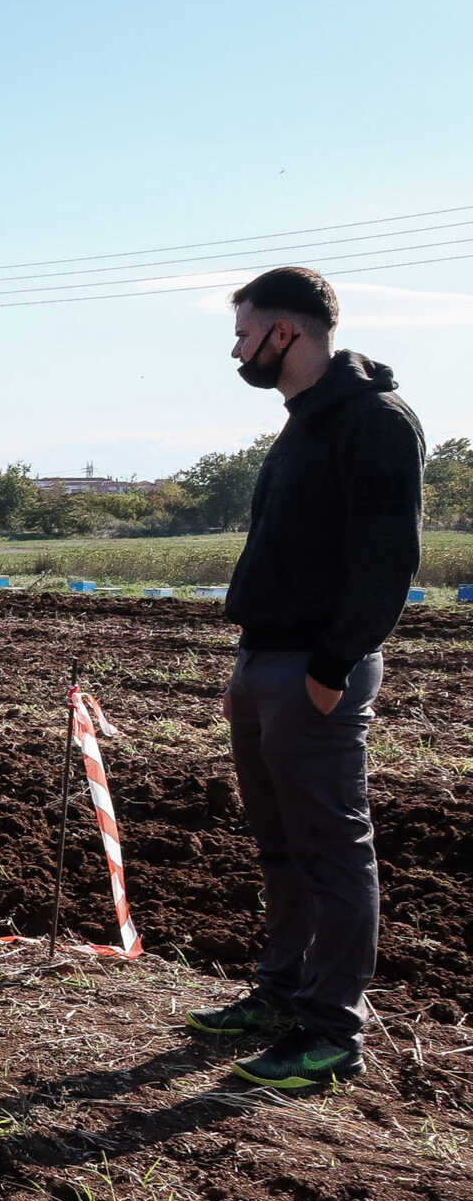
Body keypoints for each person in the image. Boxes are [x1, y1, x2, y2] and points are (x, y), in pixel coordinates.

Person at [187, 267, 424, 1090]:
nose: (237, 349)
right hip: (265, 663)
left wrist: (331, 667)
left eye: (246, 333)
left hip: (315, 673)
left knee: (331, 848)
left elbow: (386, 562)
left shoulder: (374, 422)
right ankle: (281, 993)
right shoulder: (302, 422)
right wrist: (248, 662)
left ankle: (330, 1033)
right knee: (279, 845)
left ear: (286, 332)